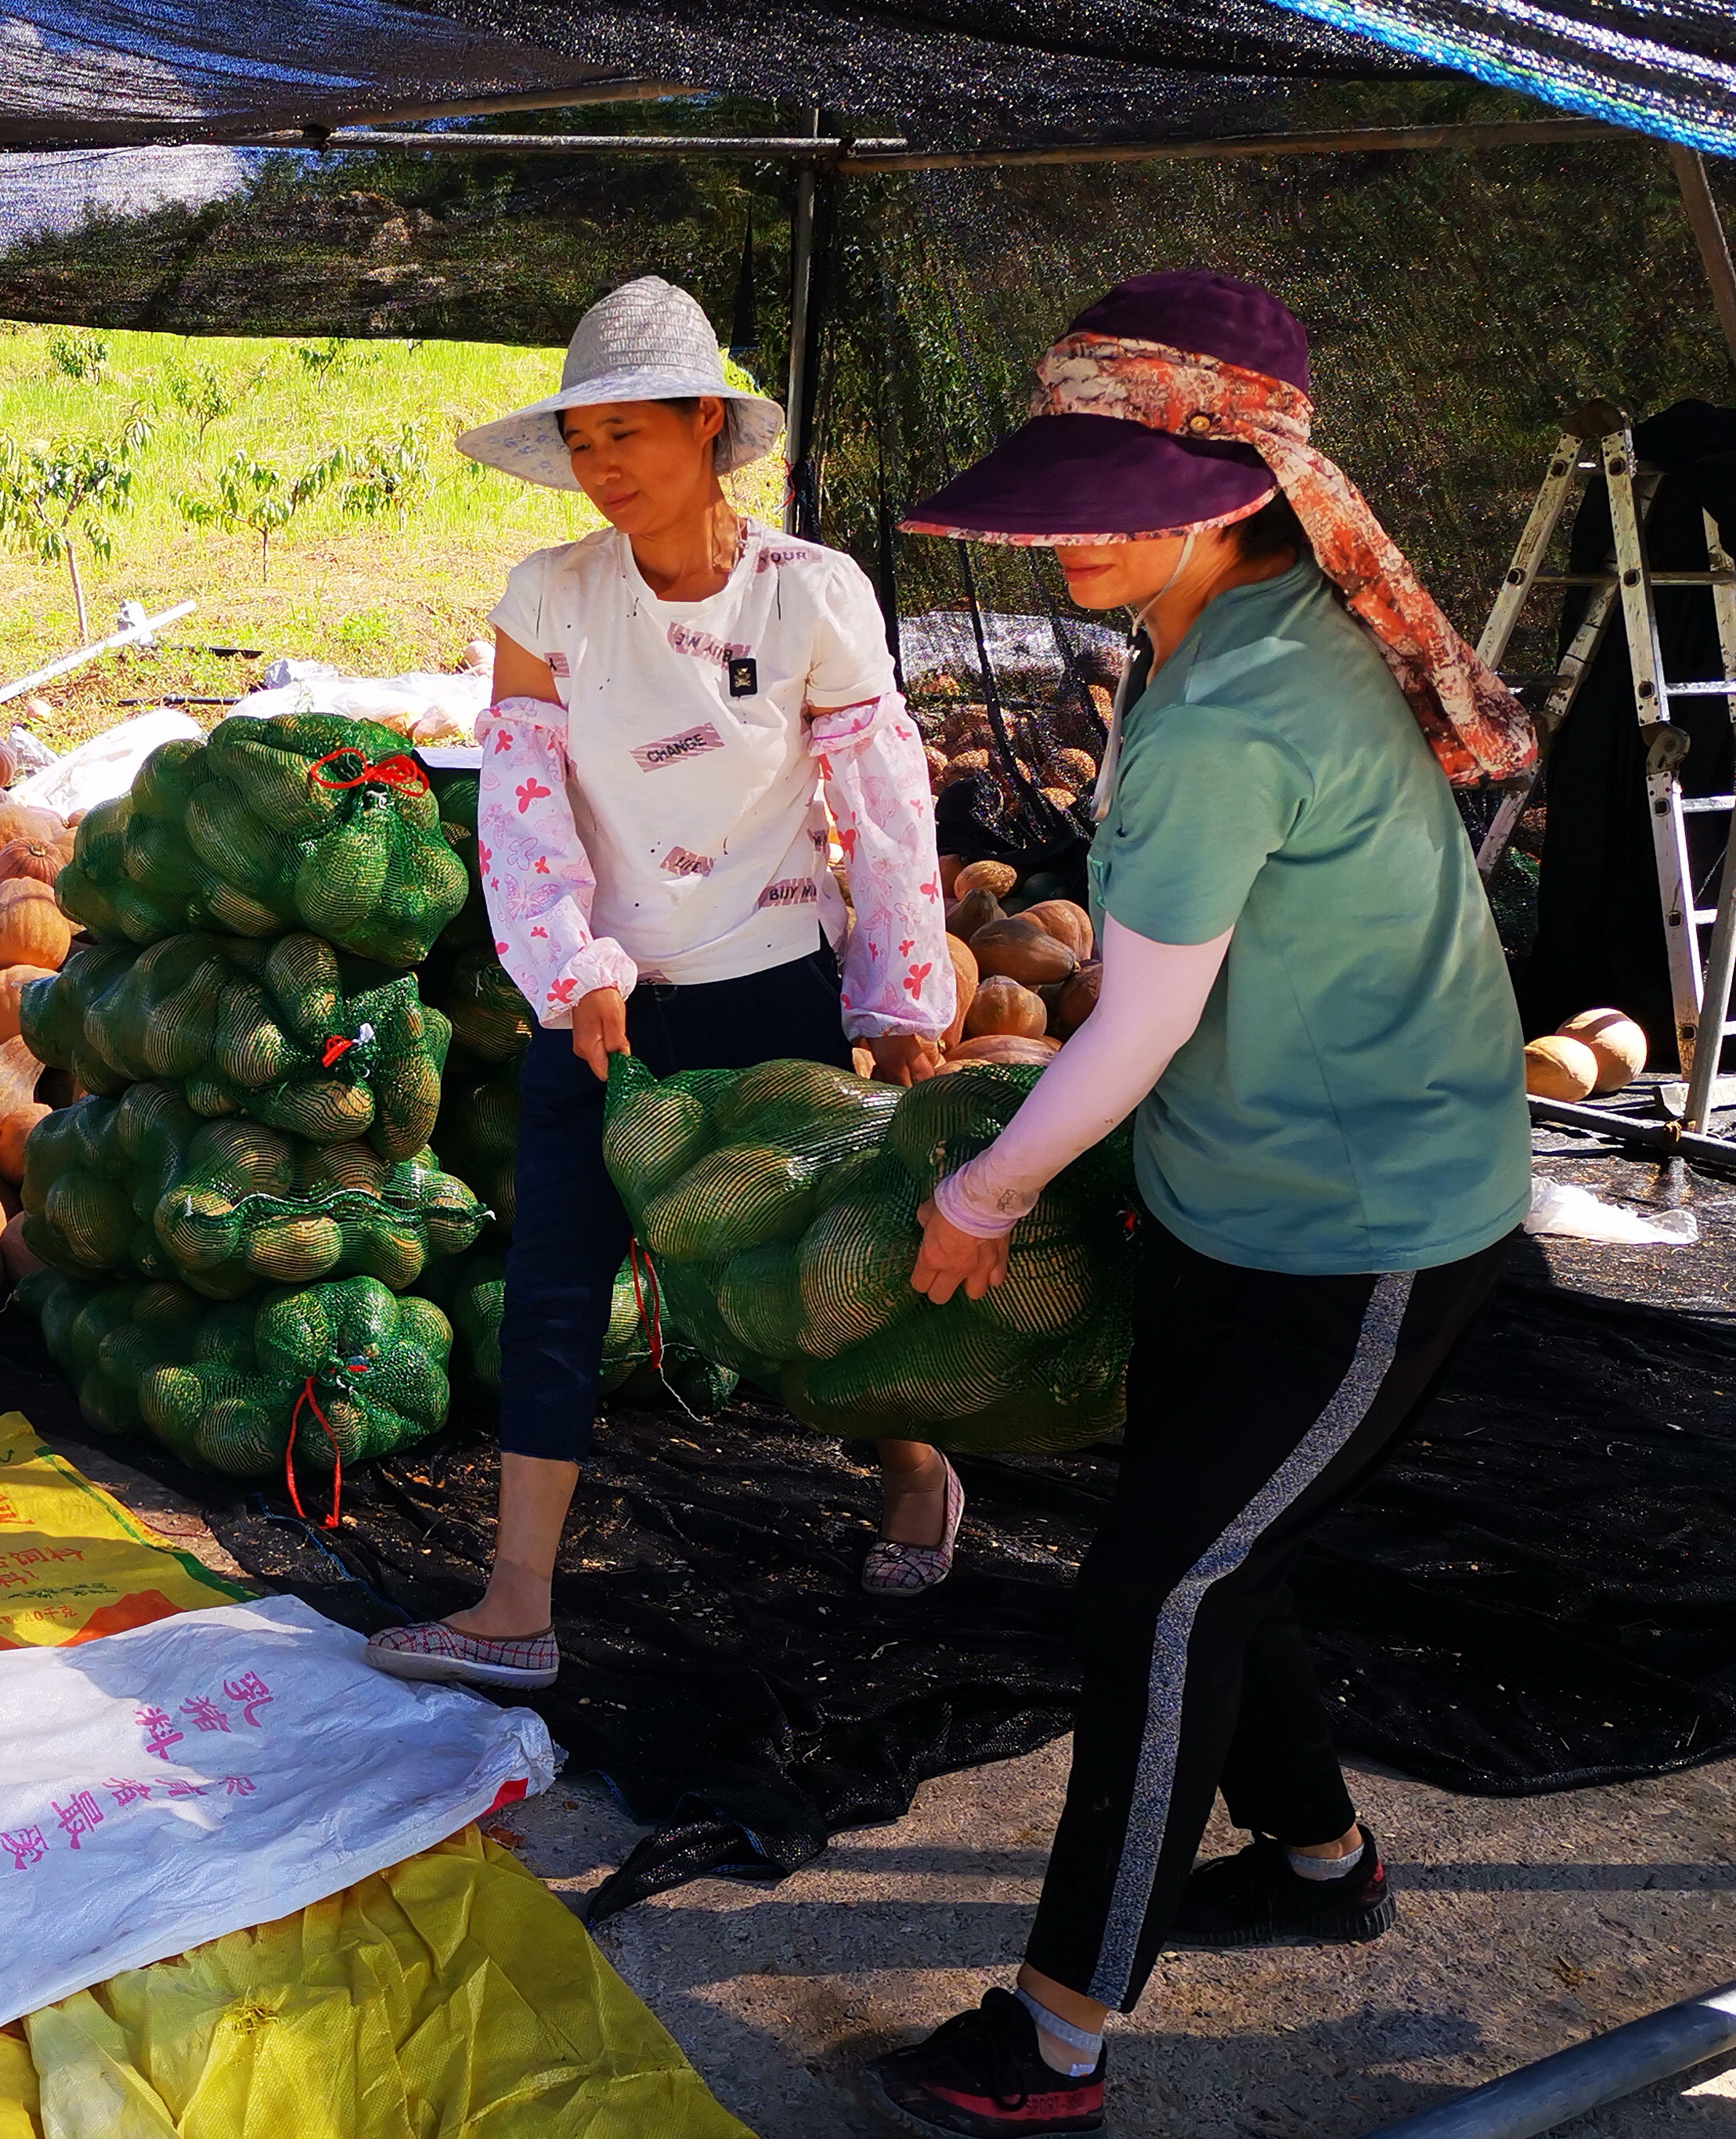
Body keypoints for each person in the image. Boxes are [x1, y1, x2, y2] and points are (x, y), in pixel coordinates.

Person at [861, 269, 1536, 2137]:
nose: (1074, 533)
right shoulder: (1236, 625)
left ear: (1234, 489)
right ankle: (1318, 1865)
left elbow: (1135, 1023)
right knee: (1208, 1546)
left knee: (1155, 1592)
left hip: (1371, 1224)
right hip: (1233, 1196)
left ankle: (1054, 2039)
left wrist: (983, 1193)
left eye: (1117, 494)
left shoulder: (1224, 707)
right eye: (1062, 487)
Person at [363, 276, 961, 1698]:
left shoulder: (809, 592)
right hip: (599, 1003)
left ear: (709, 426)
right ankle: (516, 1601)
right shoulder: (549, 596)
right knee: (555, 1272)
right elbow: (518, 808)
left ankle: (917, 1470)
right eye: (582, 444)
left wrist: (897, 1003)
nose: (604, 468)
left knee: (793, 1283)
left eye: (630, 433)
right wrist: (572, 971)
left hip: (767, 993)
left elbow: (878, 805)